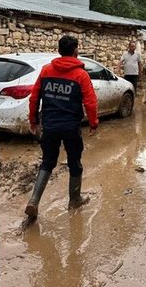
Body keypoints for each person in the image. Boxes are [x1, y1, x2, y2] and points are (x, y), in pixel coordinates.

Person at [25, 35, 99, 218]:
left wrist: (33, 122)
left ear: (59, 51)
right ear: (75, 51)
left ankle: (33, 201)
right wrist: (93, 123)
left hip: (49, 126)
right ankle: (74, 200)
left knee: (48, 162)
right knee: (75, 162)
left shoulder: (46, 71)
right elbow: (91, 102)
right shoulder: (81, 75)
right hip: (71, 127)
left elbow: (34, 98)